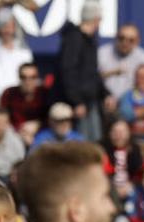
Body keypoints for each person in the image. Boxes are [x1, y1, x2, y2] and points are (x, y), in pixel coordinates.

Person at [53, 1, 105, 142]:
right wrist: (76, 101)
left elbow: (92, 73)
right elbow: (68, 71)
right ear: (95, 19)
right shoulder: (74, 39)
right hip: (79, 104)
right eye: (100, 19)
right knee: (81, 144)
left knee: (94, 142)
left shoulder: (90, 41)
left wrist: (105, 94)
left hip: (90, 101)